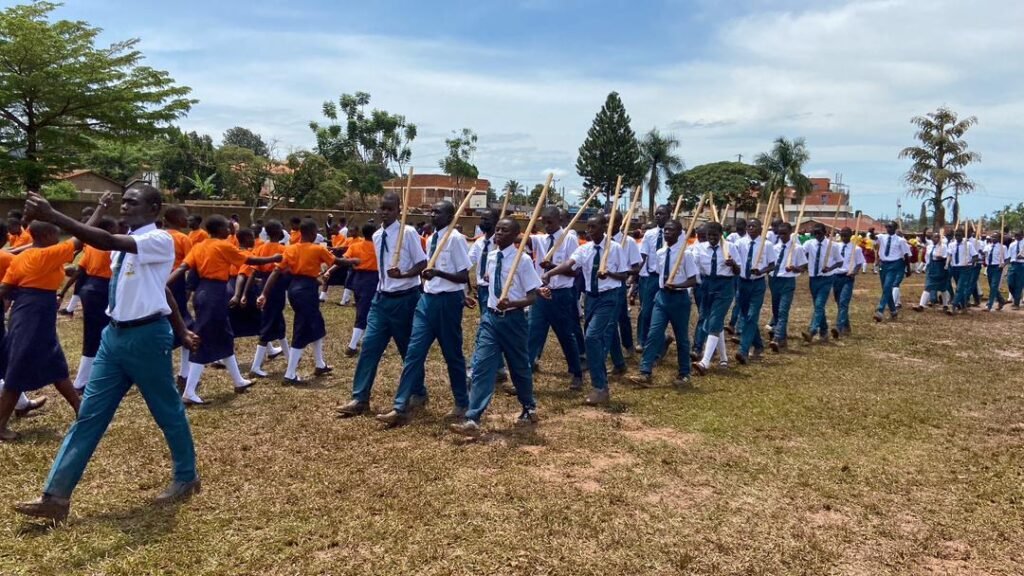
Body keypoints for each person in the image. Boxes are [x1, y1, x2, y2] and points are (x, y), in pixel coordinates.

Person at [14, 186, 201, 521]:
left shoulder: (158, 240)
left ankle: (186, 476)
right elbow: (161, 291)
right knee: (89, 416)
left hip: (146, 337)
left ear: (154, 208)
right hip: (114, 338)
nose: (125, 205)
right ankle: (55, 497)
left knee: (166, 409)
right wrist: (183, 328)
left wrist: (53, 215)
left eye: (133, 201)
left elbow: (109, 241)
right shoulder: (125, 245)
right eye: (124, 200)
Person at [168, 215, 282, 405]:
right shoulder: (223, 245)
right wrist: (274, 257)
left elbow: (183, 267)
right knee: (203, 339)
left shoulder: (199, 246)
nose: (229, 230)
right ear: (219, 229)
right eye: (226, 227)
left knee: (225, 335)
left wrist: (165, 284)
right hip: (214, 293)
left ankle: (238, 380)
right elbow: (249, 259)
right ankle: (189, 391)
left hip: (205, 293)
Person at [377, 202, 471, 427]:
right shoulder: (430, 239)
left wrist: (438, 272)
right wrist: (427, 276)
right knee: (413, 353)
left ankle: (462, 402)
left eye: (438, 212)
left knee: (452, 354)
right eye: (432, 211)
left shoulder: (456, 238)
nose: (433, 214)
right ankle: (400, 406)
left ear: (450, 216)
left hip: (448, 302)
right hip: (426, 300)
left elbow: (463, 276)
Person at [337, 192, 427, 417]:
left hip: (405, 298)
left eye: (389, 209)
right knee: (369, 348)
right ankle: (360, 397)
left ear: (398, 210)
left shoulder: (407, 233)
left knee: (407, 350)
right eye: (382, 208)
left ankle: (418, 391)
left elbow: (422, 263)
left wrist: (404, 274)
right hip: (381, 299)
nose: (384, 212)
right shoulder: (377, 236)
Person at [449, 217, 541, 436]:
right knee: (482, 367)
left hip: (514, 320)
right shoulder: (491, 257)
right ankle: (473, 418)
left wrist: (512, 302)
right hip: (491, 319)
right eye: (497, 229)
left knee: (519, 367)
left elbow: (532, 297)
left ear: (516, 235)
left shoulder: (523, 260)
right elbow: (490, 282)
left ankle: (529, 406)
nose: (498, 233)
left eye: (504, 231)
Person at [0, 220, 90, 441]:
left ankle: (82, 412)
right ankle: (0, 424)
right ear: (47, 235)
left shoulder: (24, 257)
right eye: (56, 233)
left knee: (55, 361)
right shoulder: (47, 254)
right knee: (18, 367)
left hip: (30, 311)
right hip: (33, 315)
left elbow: (5, 288)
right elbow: (80, 238)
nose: (58, 238)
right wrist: (101, 209)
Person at [543, 214, 629, 405]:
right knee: (594, 341)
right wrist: (550, 272)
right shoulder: (584, 249)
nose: (589, 231)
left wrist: (610, 273)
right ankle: (601, 382)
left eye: (594, 227)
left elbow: (624, 275)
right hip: (590, 298)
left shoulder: (614, 248)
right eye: (588, 228)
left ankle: (600, 387)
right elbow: (569, 264)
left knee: (591, 337)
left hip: (608, 297)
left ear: (603, 227)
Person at [257, 218, 343, 384]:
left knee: (317, 324)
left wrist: (264, 294)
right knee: (302, 329)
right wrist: (352, 261)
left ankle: (320, 364)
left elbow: (276, 272)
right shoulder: (316, 249)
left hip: (295, 289)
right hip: (306, 292)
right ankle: (289, 374)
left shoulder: (290, 249)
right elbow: (337, 261)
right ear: (311, 233)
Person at [628, 219, 699, 388]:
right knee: (654, 334)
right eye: (666, 230)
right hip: (662, 297)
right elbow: (660, 274)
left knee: (682, 338)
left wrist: (677, 284)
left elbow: (693, 280)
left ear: (680, 233)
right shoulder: (660, 253)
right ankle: (645, 372)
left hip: (679, 298)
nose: (667, 233)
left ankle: (684, 374)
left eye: (671, 231)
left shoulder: (686, 254)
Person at [58, 217, 119, 392]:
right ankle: (81, 381)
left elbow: (80, 269)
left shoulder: (91, 246)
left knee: (98, 333)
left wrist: (64, 290)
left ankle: (97, 374)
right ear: (107, 230)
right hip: (101, 290)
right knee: (95, 335)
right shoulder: (111, 247)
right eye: (115, 226)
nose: (118, 229)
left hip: (90, 289)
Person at [528, 206, 584, 390]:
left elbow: (574, 273)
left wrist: (552, 266)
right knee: (533, 333)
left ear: (559, 220)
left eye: (549, 222)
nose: (546, 225)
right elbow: (523, 239)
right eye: (543, 222)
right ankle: (525, 374)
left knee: (566, 335)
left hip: (561, 295)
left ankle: (576, 373)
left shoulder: (568, 238)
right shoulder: (540, 239)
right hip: (542, 294)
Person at [691, 222, 741, 375]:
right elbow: (695, 267)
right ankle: (724, 358)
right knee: (707, 318)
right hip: (707, 285)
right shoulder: (699, 247)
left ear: (721, 235)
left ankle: (704, 362)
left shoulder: (730, 247)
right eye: (709, 235)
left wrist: (732, 264)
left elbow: (739, 270)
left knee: (715, 320)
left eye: (715, 235)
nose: (712, 238)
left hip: (724, 285)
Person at [466, 209, 509, 384]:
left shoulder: (500, 244)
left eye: (487, 219)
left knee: (486, 329)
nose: (483, 221)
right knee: (490, 328)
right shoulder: (478, 243)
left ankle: (476, 367)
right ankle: (499, 368)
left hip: (496, 291)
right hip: (482, 291)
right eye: (481, 218)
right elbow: (467, 263)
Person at [243, 220, 289, 377]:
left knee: (278, 321)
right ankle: (255, 366)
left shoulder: (261, 248)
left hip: (263, 285)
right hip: (274, 288)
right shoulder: (282, 249)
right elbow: (284, 271)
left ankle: (290, 358)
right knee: (268, 324)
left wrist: (245, 293)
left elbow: (253, 272)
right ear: (278, 231)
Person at [329, 222, 378, 356]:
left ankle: (364, 339)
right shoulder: (379, 247)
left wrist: (329, 271)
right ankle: (352, 345)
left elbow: (342, 260)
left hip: (358, 279)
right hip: (372, 280)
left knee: (364, 310)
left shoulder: (355, 246)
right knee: (365, 312)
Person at [733, 219, 776, 364]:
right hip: (742, 282)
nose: (751, 228)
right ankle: (758, 345)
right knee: (745, 316)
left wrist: (761, 271)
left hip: (757, 284)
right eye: (749, 226)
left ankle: (743, 350)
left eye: (754, 226)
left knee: (751, 316)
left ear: (760, 228)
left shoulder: (767, 245)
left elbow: (772, 265)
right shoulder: (739, 243)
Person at [768, 222, 807, 352]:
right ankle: (782, 339)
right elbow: (770, 265)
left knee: (783, 310)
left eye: (785, 233)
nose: (782, 236)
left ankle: (777, 338)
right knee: (776, 310)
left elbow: (803, 267)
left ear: (790, 233)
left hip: (787, 281)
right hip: (774, 280)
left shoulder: (797, 248)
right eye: (780, 233)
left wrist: (795, 268)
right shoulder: (774, 248)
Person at [800, 224, 843, 343]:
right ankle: (824, 331)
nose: (817, 236)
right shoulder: (809, 244)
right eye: (815, 233)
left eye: (819, 233)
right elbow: (801, 253)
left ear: (825, 233)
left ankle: (812, 330)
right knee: (818, 306)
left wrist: (830, 268)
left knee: (819, 305)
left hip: (827, 278)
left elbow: (840, 262)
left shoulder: (832, 246)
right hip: (813, 278)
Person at [637, 204, 669, 353]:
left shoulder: (677, 233)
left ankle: (660, 341)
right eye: (656, 213)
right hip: (651, 277)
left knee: (662, 312)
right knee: (646, 311)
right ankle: (643, 341)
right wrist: (636, 272)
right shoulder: (649, 234)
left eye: (661, 214)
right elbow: (643, 255)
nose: (658, 216)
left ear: (668, 216)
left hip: (667, 278)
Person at [873, 221, 912, 322]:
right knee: (885, 289)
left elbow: (906, 255)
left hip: (894, 265)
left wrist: (908, 268)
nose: (888, 228)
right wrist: (872, 234)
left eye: (890, 227)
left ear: (895, 228)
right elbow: (874, 239)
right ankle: (893, 311)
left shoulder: (901, 240)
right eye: (887, 226)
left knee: (887, 286)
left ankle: (880, 310)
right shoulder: (882, 237)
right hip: (883, 265)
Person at [832, 227, 865, 336]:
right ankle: (846, 326)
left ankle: (839, 327)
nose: (843, 237)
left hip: (847, 277)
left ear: (851, 235)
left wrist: (854, 272)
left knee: (843, 302)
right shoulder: (836, 247)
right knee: (839, 302)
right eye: (842, 235)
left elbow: (859, 263)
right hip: (836, 277)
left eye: (846, 235)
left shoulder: (856, 249)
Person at [913, 231, 951, 313]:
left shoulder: (943, 246)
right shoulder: (930, 246)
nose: (935, 239)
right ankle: (921, 305)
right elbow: (927, 257)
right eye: (934, 237)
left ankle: (945, 305)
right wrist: (927, 265)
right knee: (928, 286)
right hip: (932, 268)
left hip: (940, 267)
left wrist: (942, 258)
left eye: (937, 237)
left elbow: (947, 256)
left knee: (943, 287)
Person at [947, 228, 978, 314]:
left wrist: (970, 262)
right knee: (960, 289)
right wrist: (947, 264)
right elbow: (949, 255)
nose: (957, 237)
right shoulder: (951, 245)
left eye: (959, 235)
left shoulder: (968, 245)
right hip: (954, 268)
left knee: (959, 288)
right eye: (956, 235)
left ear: (963, 236)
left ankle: (953, 306)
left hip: (965, 268)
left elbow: (975, 256)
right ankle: (964, 307)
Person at [983, 232, 1007, 311]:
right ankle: (1001, 300)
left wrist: (1003, 265)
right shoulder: (987, 246)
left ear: (999, 238)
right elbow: (984, 255)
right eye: (992, 237)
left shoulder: (1003, 247)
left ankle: (989, 305)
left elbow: (1007, 259)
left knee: (993, 286)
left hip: (997, 267)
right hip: (989, 267)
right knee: (992, 287)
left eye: (995, 237)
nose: (993, 239)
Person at [1007, 231, 1024, 309]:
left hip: (1022, 265)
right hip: (1012, 265)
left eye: (1019, 235)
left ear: (1022, 235)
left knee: (1019, 284)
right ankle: (1016, 297)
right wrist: (1004, 264)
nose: (1017, 237)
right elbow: (1009, 256)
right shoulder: (1012, 244)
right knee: (1010, 283)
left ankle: (1016, 303)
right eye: (1016, 235)